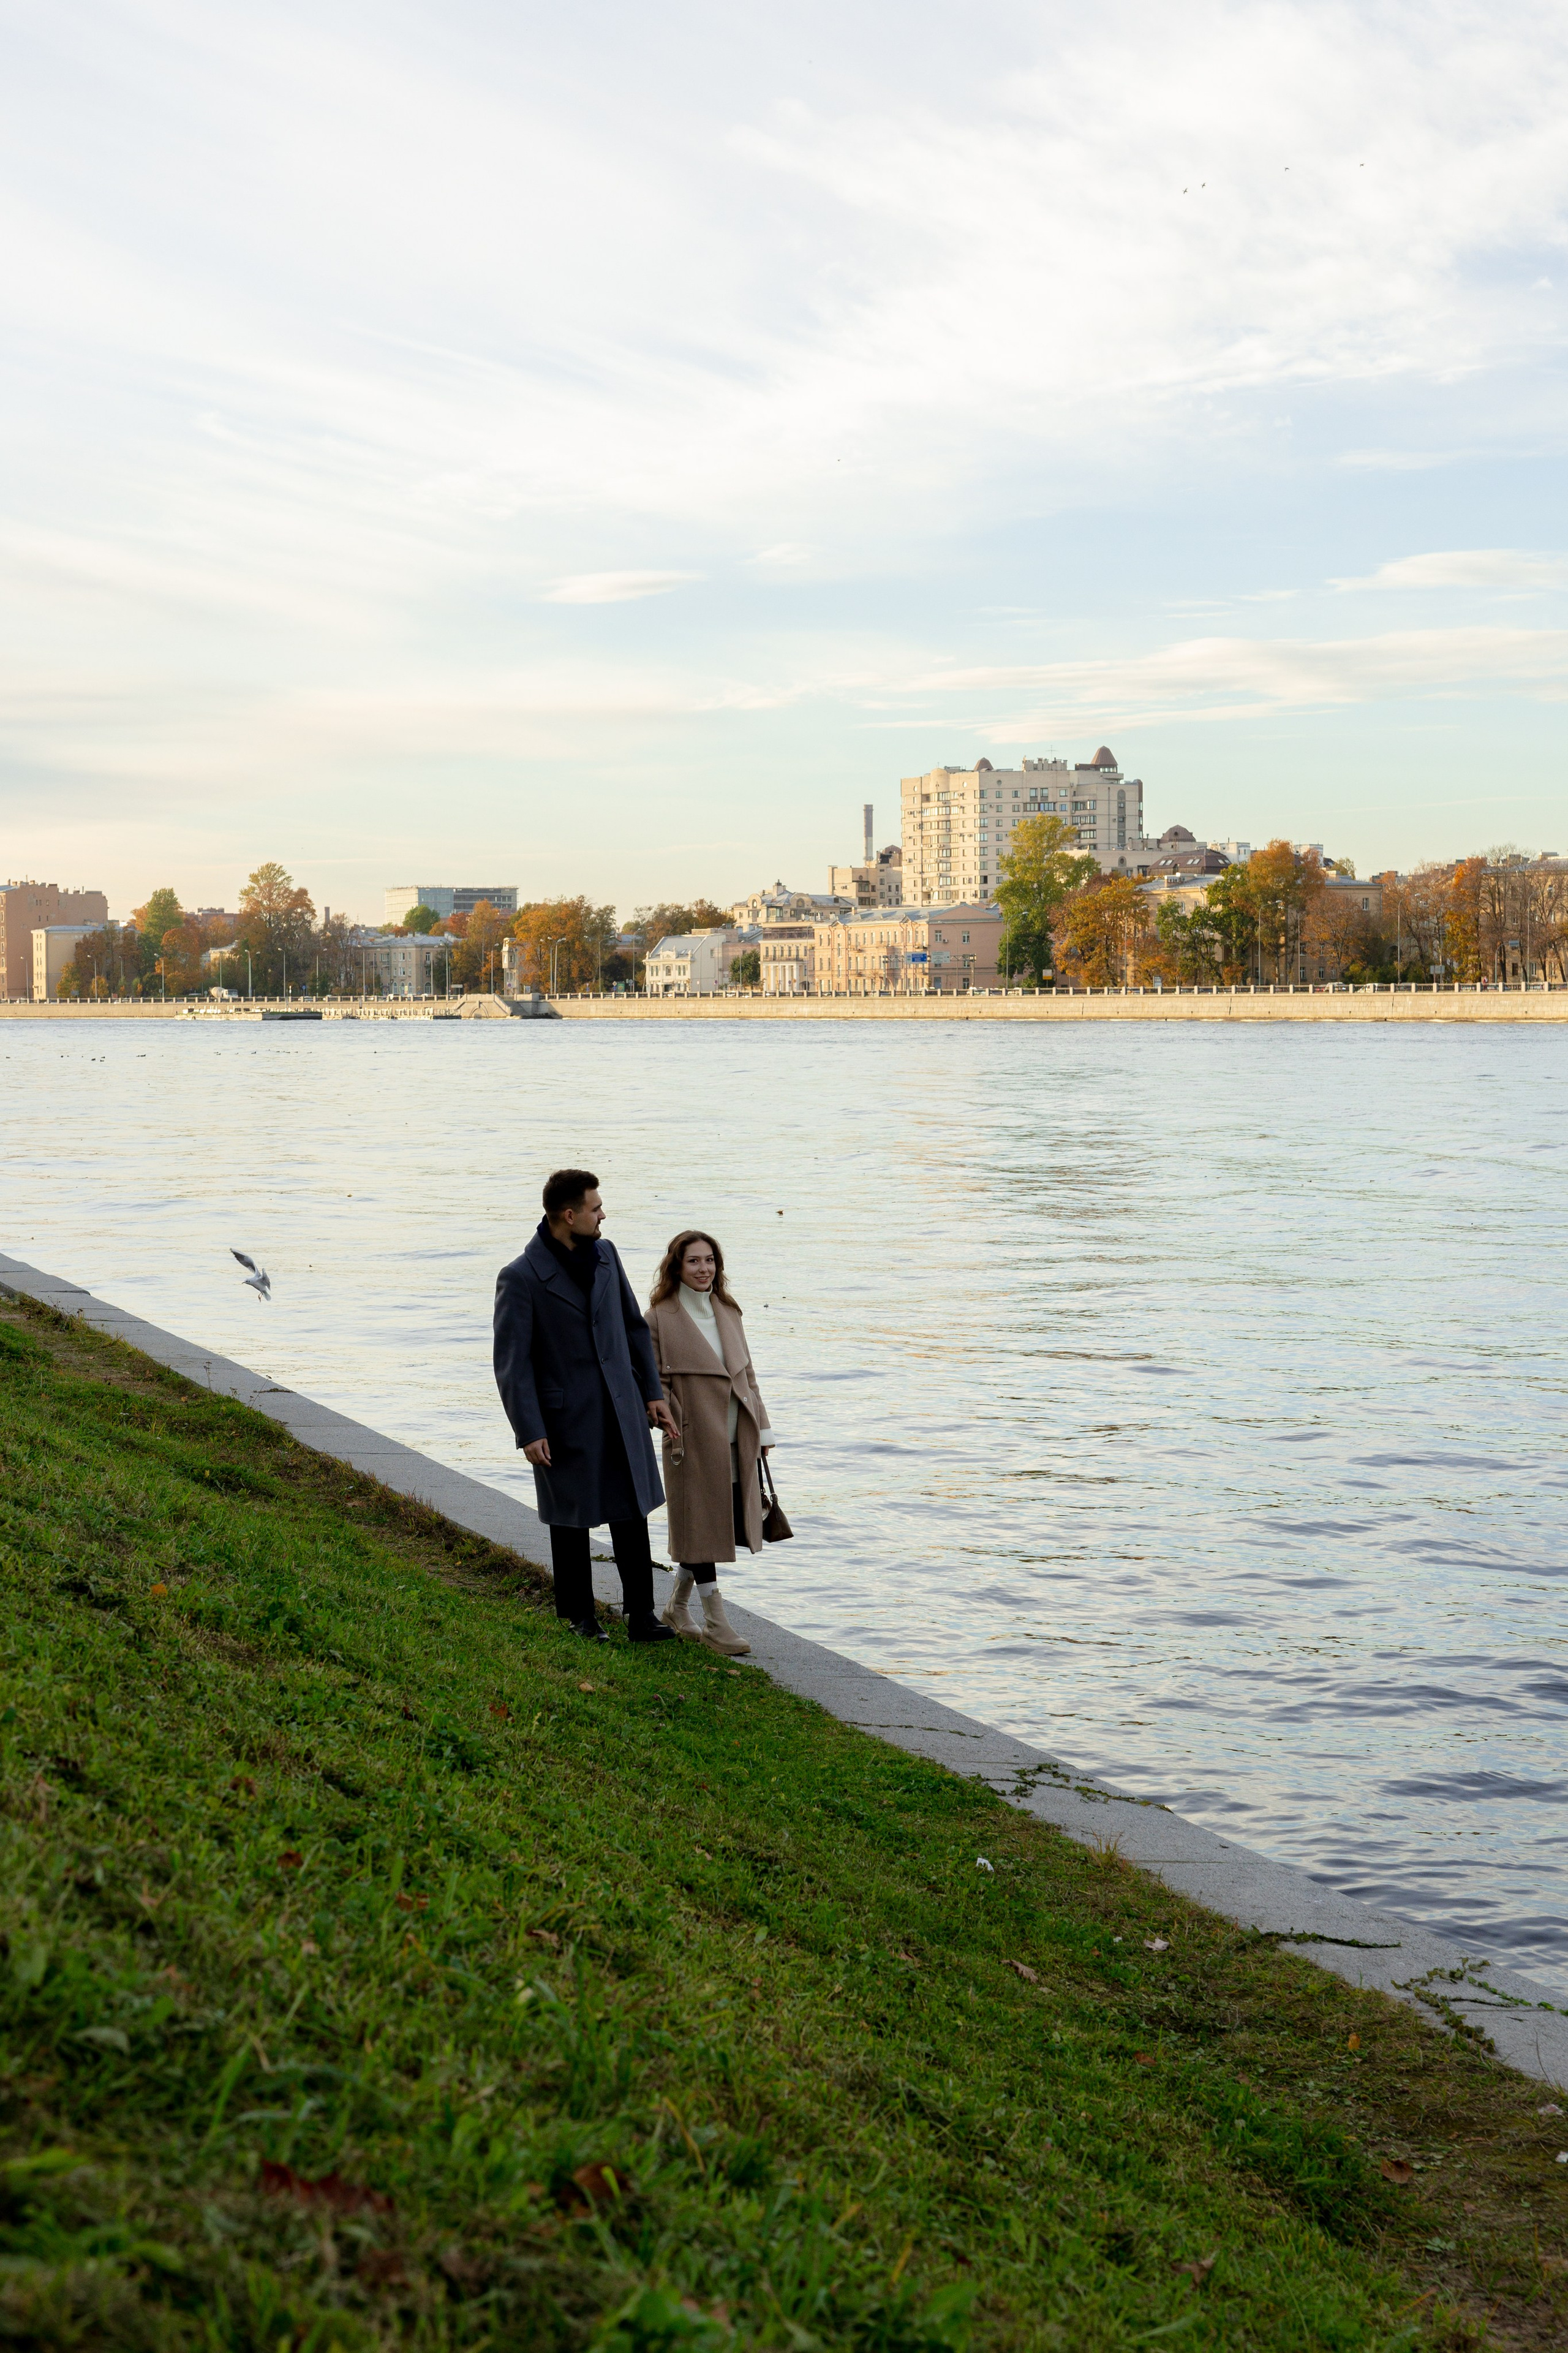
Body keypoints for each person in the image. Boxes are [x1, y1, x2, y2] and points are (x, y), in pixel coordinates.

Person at [493, 1168, 679, 1644]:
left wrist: (652, 1393)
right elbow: (513, 1364)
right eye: (596, 1208)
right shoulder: (520, 1276)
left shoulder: (607, 1254)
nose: (603, 1215)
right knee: (570, 1517)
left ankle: (642, 1615)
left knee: (631, 1509)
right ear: (570, 1215)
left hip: (622, 1405)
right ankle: (581, 1617)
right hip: (563, 1419)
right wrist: (529, 1429)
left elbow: (634, 1327)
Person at [646, 1229, 774, 1657]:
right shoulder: (660, 1318)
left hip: (738, 1436)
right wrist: (667, 1417)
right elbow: (654, 1384)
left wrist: (763, 1429)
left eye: (710, 1260)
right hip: (691, 1439)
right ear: (677, 1267)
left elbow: (748, 1375)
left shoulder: (728, 1311)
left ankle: (675, 1608)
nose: (704, 1269)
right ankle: (717, 1623)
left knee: (709, 1524)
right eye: (694, 1261)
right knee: (700, 1525)